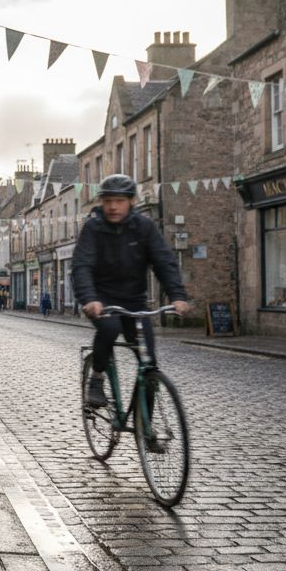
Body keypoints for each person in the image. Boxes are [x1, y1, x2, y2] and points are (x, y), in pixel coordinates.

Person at [72, 174, 191, 409]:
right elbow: (81, 265)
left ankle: (145, 427)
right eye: (108, 201)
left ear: (131, 202)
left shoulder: (143, 227)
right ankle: (96, 379)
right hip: (101, 298)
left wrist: (177, 296)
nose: (113, 206)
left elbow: (163, 261)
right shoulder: (93, 228)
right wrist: (89, 299)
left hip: (135, 301)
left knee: (149, 364)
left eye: (119, 201)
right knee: (110, 327)